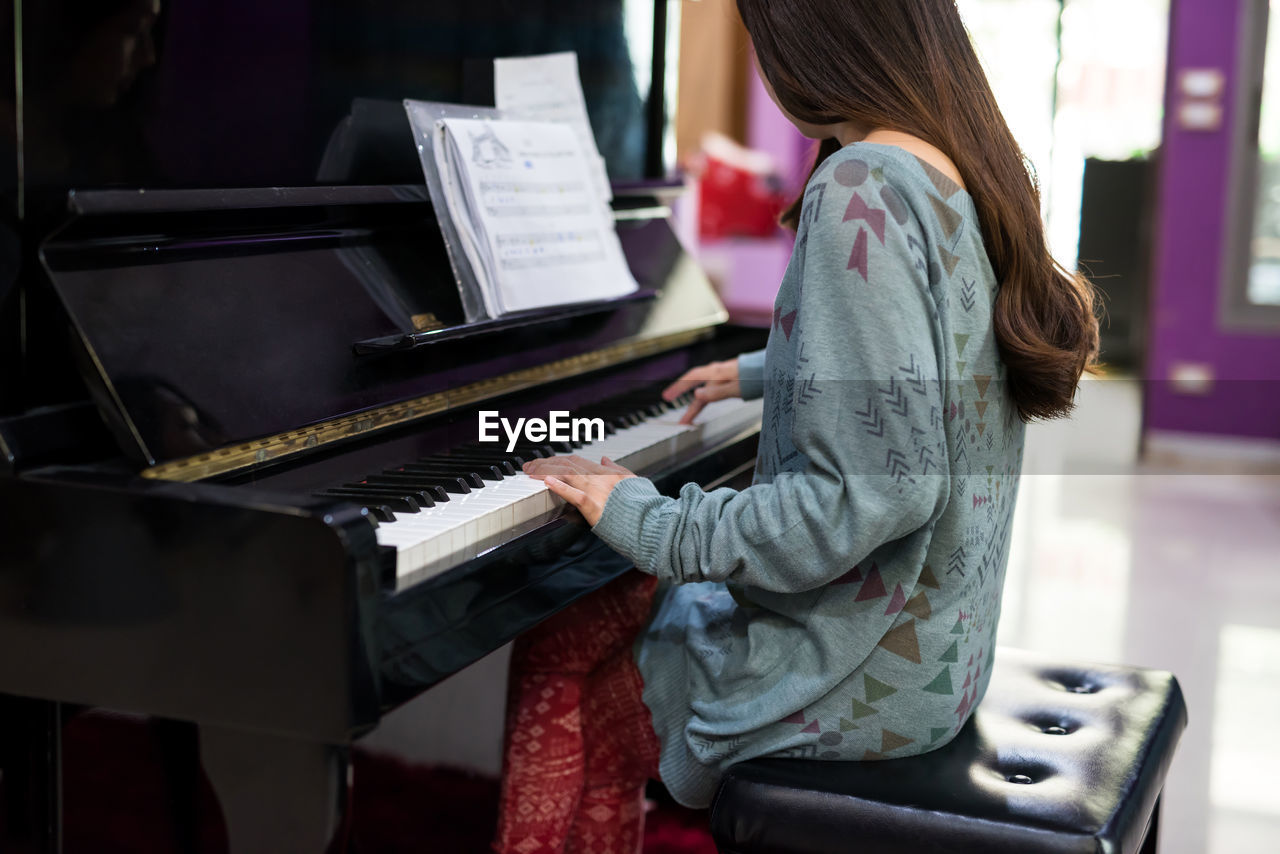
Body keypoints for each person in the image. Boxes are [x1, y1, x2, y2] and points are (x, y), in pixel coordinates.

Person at [492, 1, 1100, 851]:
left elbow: (863, 500)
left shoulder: (860, 184)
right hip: (936, 659)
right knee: (591, 616)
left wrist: (651, 519)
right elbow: (932, 366)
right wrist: (761, 370)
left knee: (564, 679)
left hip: (857, 674)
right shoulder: (954, 170)